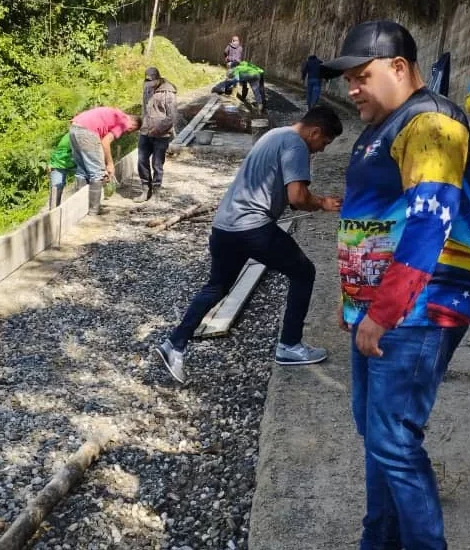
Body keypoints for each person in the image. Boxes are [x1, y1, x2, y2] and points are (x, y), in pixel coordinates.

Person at [322, 20, 470, 550]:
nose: (352, 90)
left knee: (394, 442)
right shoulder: (386, 126)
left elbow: (429, 223)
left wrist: (383, 312)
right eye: (348, 82)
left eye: (361, 77)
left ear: (399, 67)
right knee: (379, 440)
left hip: (412, 314)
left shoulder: (432, 123)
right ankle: (378, 542)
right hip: (380, 315)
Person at [156, 105, 344, 384]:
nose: (322, 150)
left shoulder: (275, 135)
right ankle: (290, 345)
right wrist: (322, 203)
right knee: (304, 272)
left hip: (224, 225)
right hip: (252, 227)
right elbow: (297, 197)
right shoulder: (296, 145)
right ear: (315, 132)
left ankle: (175, 344)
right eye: (324, 143)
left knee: (217, 287)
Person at [135, 67, 179, 204]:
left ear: (158, 78)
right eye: (147, 80)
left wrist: (158, 129)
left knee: (157, 164)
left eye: (151, 80)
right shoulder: (147, 88)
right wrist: (142, 125)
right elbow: (144, 108)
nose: (149, 82)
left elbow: (172, 116)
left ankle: (156, 192)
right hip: (145, 131)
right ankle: (145, 189)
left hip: (162, 134)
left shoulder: (168, 92)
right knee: (142, 160)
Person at [69, 106, 141, 187]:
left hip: (74, 127)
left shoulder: (115, 113)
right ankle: (94, 200)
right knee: (97, 174)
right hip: (87, 130)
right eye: (131, 131)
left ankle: (81, 198)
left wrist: (102, 162)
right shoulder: (124, 122)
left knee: (82, 171)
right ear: (134, 125)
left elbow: (98, 146)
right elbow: (105, 142)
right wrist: (110, 164)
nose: (127, 132)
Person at [48, 132, 76, 205]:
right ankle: (53, 213)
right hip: (58, 164)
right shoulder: (72, 135)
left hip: (75, 164)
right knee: (56, 189)